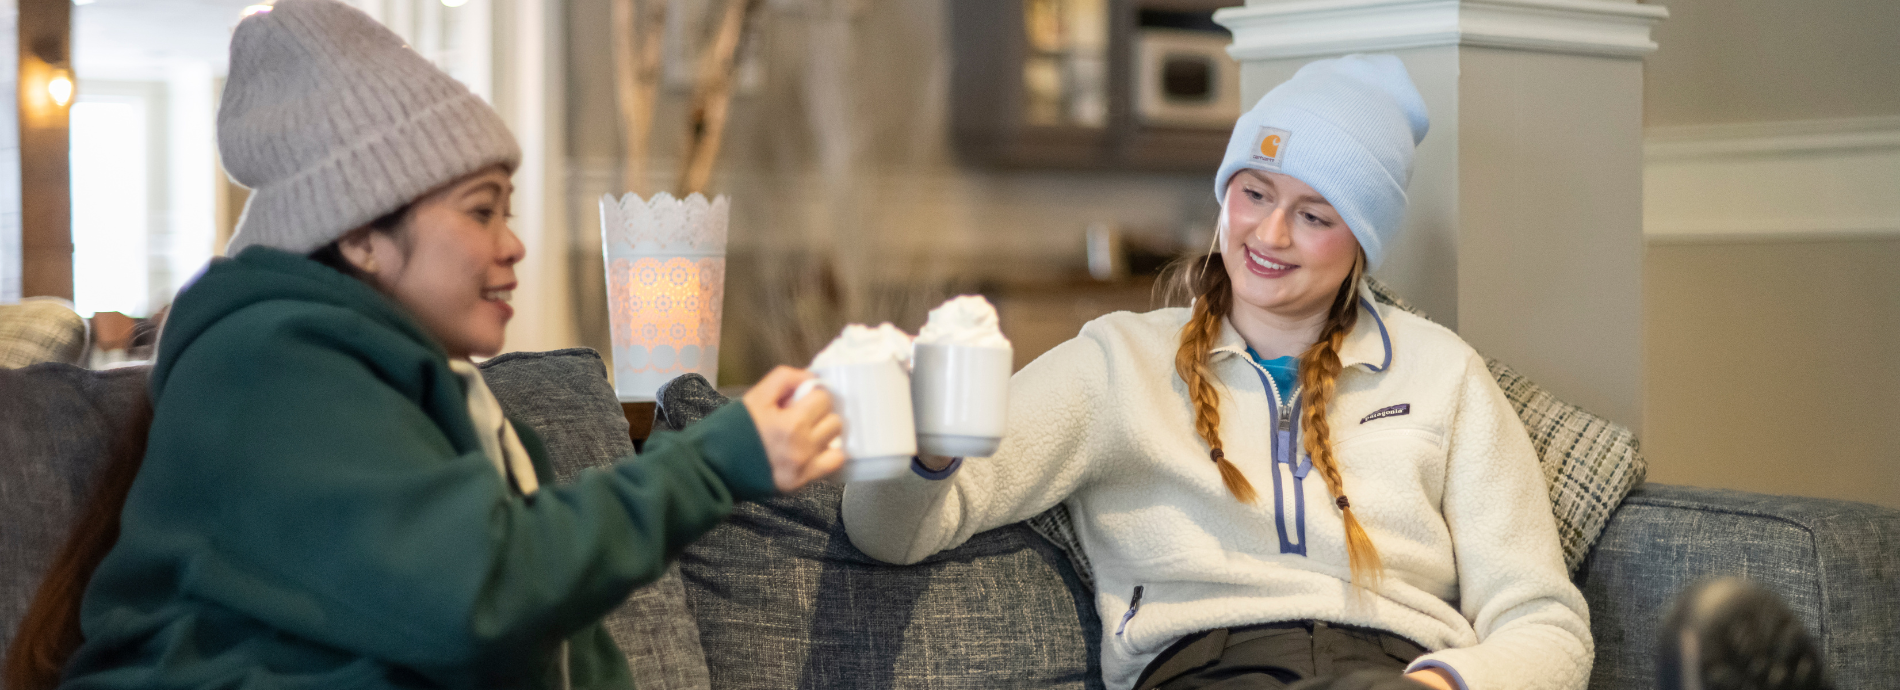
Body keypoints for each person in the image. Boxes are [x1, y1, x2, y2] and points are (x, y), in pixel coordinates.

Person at [4, 2, 844, 688]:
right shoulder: (268, 366)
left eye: (508, 210)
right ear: (362, 234)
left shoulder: (446, 396)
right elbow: (481, 593)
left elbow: (557, 641)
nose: (512, 245)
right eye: (481, 211)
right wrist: (712, 461)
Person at [842, 55, 1591, 690]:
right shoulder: (1118, 364)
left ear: (1360, 242)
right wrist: (927, 449)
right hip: (1205, 669)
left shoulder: (1445, 375)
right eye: (1254, 194)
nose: (1268, 234)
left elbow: (1545, 622)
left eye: (1314, 215)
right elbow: (891, 535)